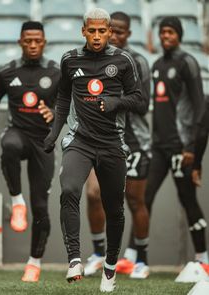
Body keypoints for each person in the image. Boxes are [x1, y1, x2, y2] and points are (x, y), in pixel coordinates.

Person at [44, 7, 147, 292]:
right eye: (93, 31)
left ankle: (110, 267)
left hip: (113, 142)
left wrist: (117, 103)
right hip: (80, 141)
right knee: (69, 190)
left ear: (110, 32)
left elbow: (139, 100)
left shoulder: (123, 60)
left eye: (103, 31)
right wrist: (54, 134)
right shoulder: (70, 60)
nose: (98, 36)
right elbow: (63, 98)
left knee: (114, 210)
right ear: (84, 31)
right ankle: (74, 259)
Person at [0, 21, 60, 282]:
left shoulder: (56, 72)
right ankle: (17, 201)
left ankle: (34, 262)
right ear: (20, 42)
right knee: (8, 144)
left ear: (44, 42)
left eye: (38, 41)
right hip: (18, 133)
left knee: (42, 208)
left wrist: (55, 113)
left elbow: (69, 105)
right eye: (28, 40)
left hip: (44, 142)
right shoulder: (7, 72)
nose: (33, 45)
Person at [84, 11, 151, 279]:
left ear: (129, 34)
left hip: (133, 139)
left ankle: (142, 260)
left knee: (134, 200)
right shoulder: (94, 58)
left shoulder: (138, 61)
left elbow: (144, 104)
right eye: (113, 30)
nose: (116, 35)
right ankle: (99, 254)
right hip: (99, 136)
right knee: (92, 194)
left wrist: (115, 101)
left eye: (122, 31)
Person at [146, 16, 208, 270]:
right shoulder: (158, 65)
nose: (166, 37)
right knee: (144, 198)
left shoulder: (187, 63)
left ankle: (203, 259)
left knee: (187, 199)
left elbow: (199, 108)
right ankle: (136, 257)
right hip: (159, 146)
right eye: (162, 32)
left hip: (181, 147)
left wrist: (191, 148)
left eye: (171, 32)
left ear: (179, 35)